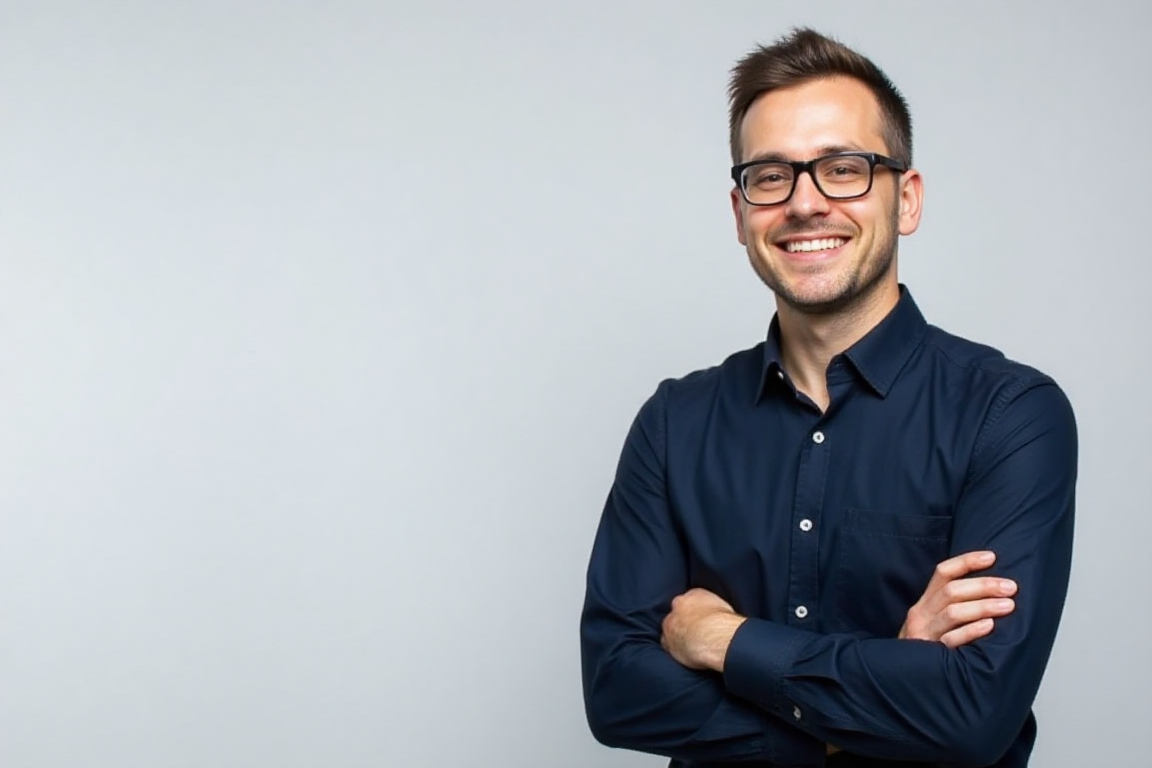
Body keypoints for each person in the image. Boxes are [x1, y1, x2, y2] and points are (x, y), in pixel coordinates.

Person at [579, 28, 1076, 768]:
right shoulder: (674, 426)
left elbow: (973, 713)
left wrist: (723, 641)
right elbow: (618, 691)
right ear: (741, 212)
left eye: (843, 168)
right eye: (771, 176)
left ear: (905, 199)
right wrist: (873, 702)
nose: (805, 203)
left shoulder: (1010, 416)